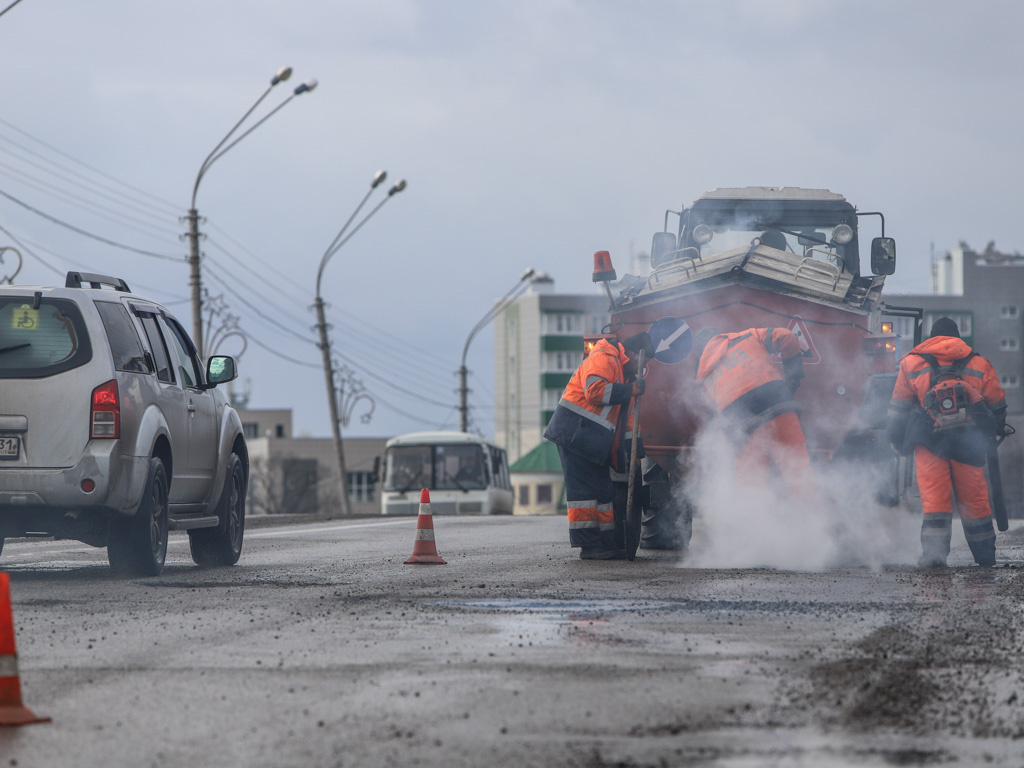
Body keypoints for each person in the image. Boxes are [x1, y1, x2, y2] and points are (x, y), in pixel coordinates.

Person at [886, 317, 1007, 568]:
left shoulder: (911, 362)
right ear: (957, 337)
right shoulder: (979, 362)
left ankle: (934, 558)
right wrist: (990, 434)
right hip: (968, 442)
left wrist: (896, 440)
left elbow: (898, 409)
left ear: (931, 337)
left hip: (928, 441)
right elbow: (997, 405)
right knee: (975, 502)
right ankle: (985, 558)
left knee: (935, 503)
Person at [544, 331, 654, 560]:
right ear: (633, 354)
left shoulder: (625, 377)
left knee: (604, 492)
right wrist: (630, 390)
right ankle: (589, 546)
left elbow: (629, 424)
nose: (641, 370)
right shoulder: (604, 356)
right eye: (642, 363)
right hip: (573, 434)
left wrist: (635, 457)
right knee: (584, 494)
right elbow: (594, 392)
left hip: (591, 440)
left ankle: (606, 544)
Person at [693, 325, 811, 494]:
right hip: (778, 406)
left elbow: (716, 417)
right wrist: (793, 378)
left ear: (700, 353)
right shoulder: (748, 336)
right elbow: (787, 336)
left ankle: (754, 518)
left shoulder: (703, 381)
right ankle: (812, 515)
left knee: (751, 485)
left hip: (742, 427)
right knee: (798, 471)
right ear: (720, 336)